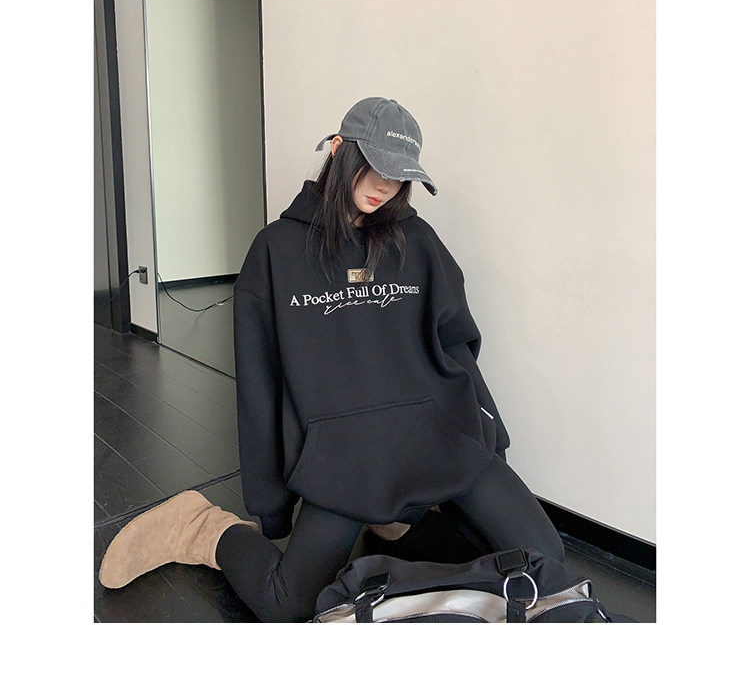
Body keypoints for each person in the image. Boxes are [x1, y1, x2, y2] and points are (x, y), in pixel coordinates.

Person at [98, 97, 564, 622]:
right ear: (339, 149)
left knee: (546, 565)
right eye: (375, 166)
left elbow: (457, 345)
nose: (386, 186)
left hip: (439, 437)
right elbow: (260, 385)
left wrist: (489, 440)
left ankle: (394, 522)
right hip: (345, 459)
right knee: (288, 605)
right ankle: (201, 527)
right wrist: (271, 506)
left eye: (400, 176)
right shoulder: (276, 251)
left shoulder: (419, 242)